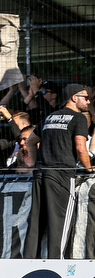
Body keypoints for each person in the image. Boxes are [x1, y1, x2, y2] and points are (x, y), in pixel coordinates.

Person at [25, 83, 92, 259]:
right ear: (73, 98)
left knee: (36, 222)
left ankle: (28, 262)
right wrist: (90, 168)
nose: (88, 100)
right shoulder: (79, 118)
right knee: (60, 222)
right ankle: (57, 264)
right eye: (85, 97)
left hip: (40, 173)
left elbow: (30, 141)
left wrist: (32, 163)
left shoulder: (49, 117)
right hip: (61, 174)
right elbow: (80, 148)